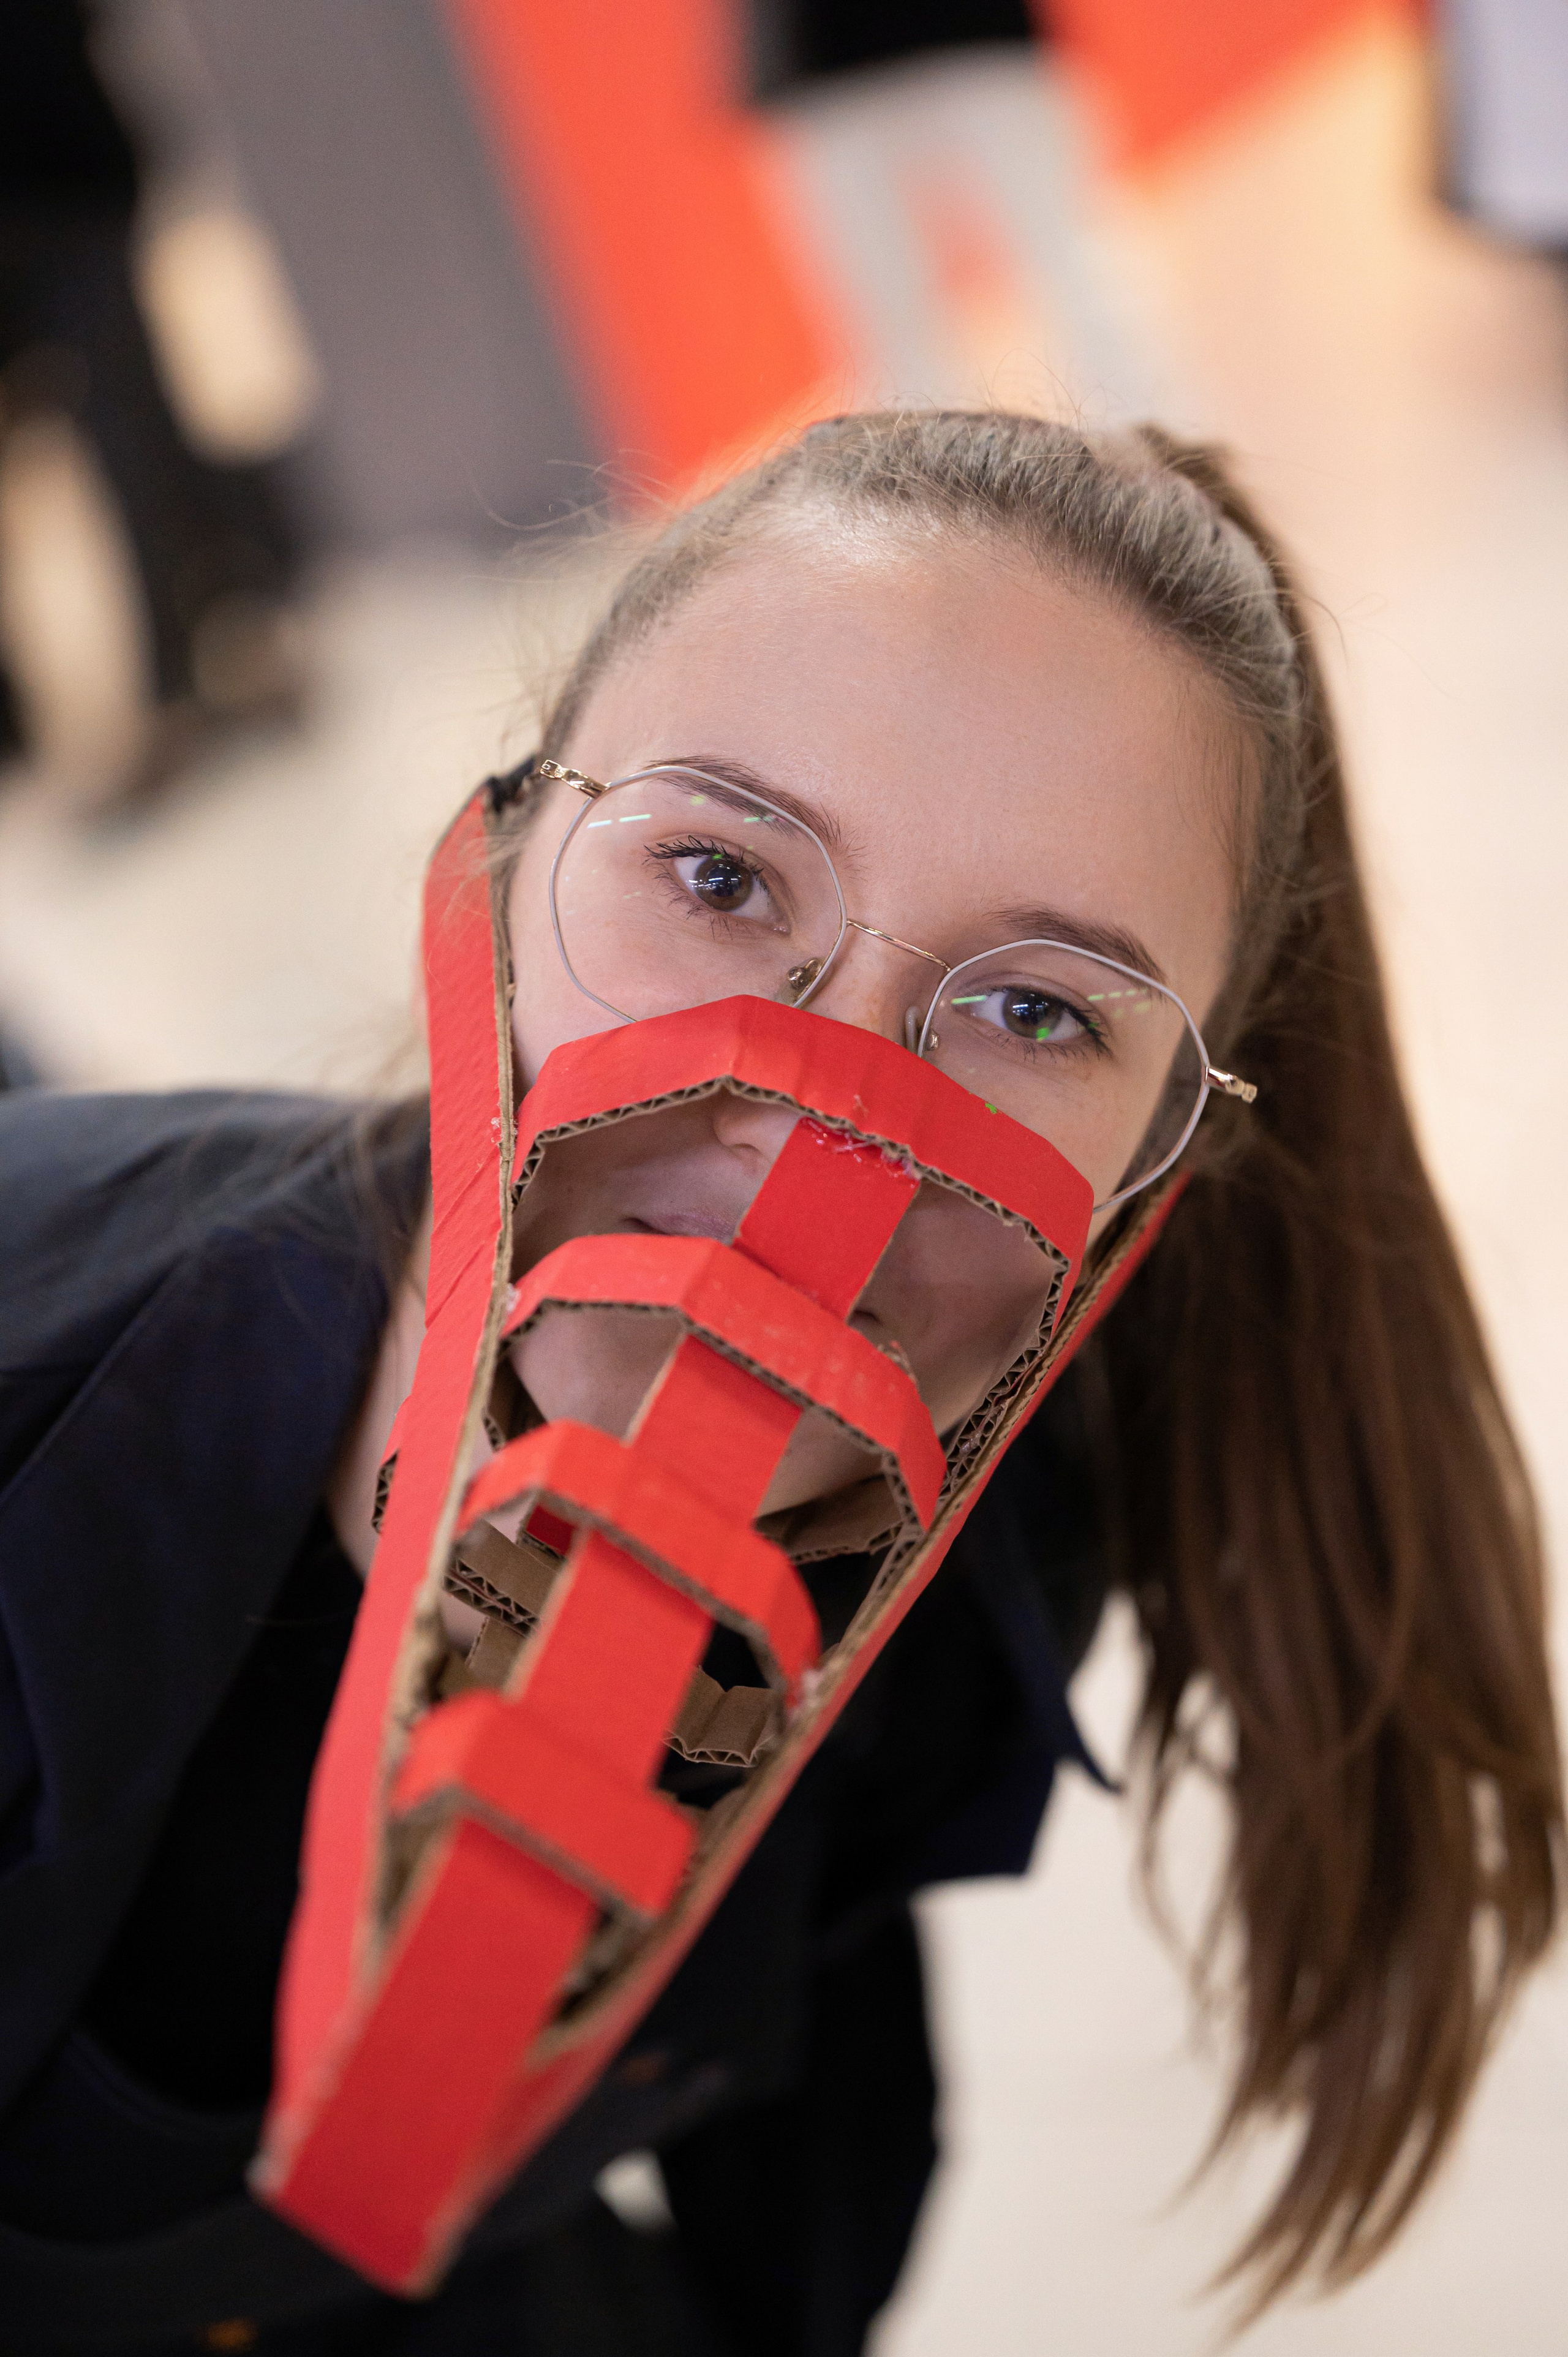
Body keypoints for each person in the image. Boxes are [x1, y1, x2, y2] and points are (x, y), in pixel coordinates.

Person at [0, 410, 1558, 2353]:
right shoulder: (48, 1418)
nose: (807, 1120)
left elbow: (807, 2103)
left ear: (1167, 1147)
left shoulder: (991, 1546)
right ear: (502, 861)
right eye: (722, 881)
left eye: (1033, 1010)